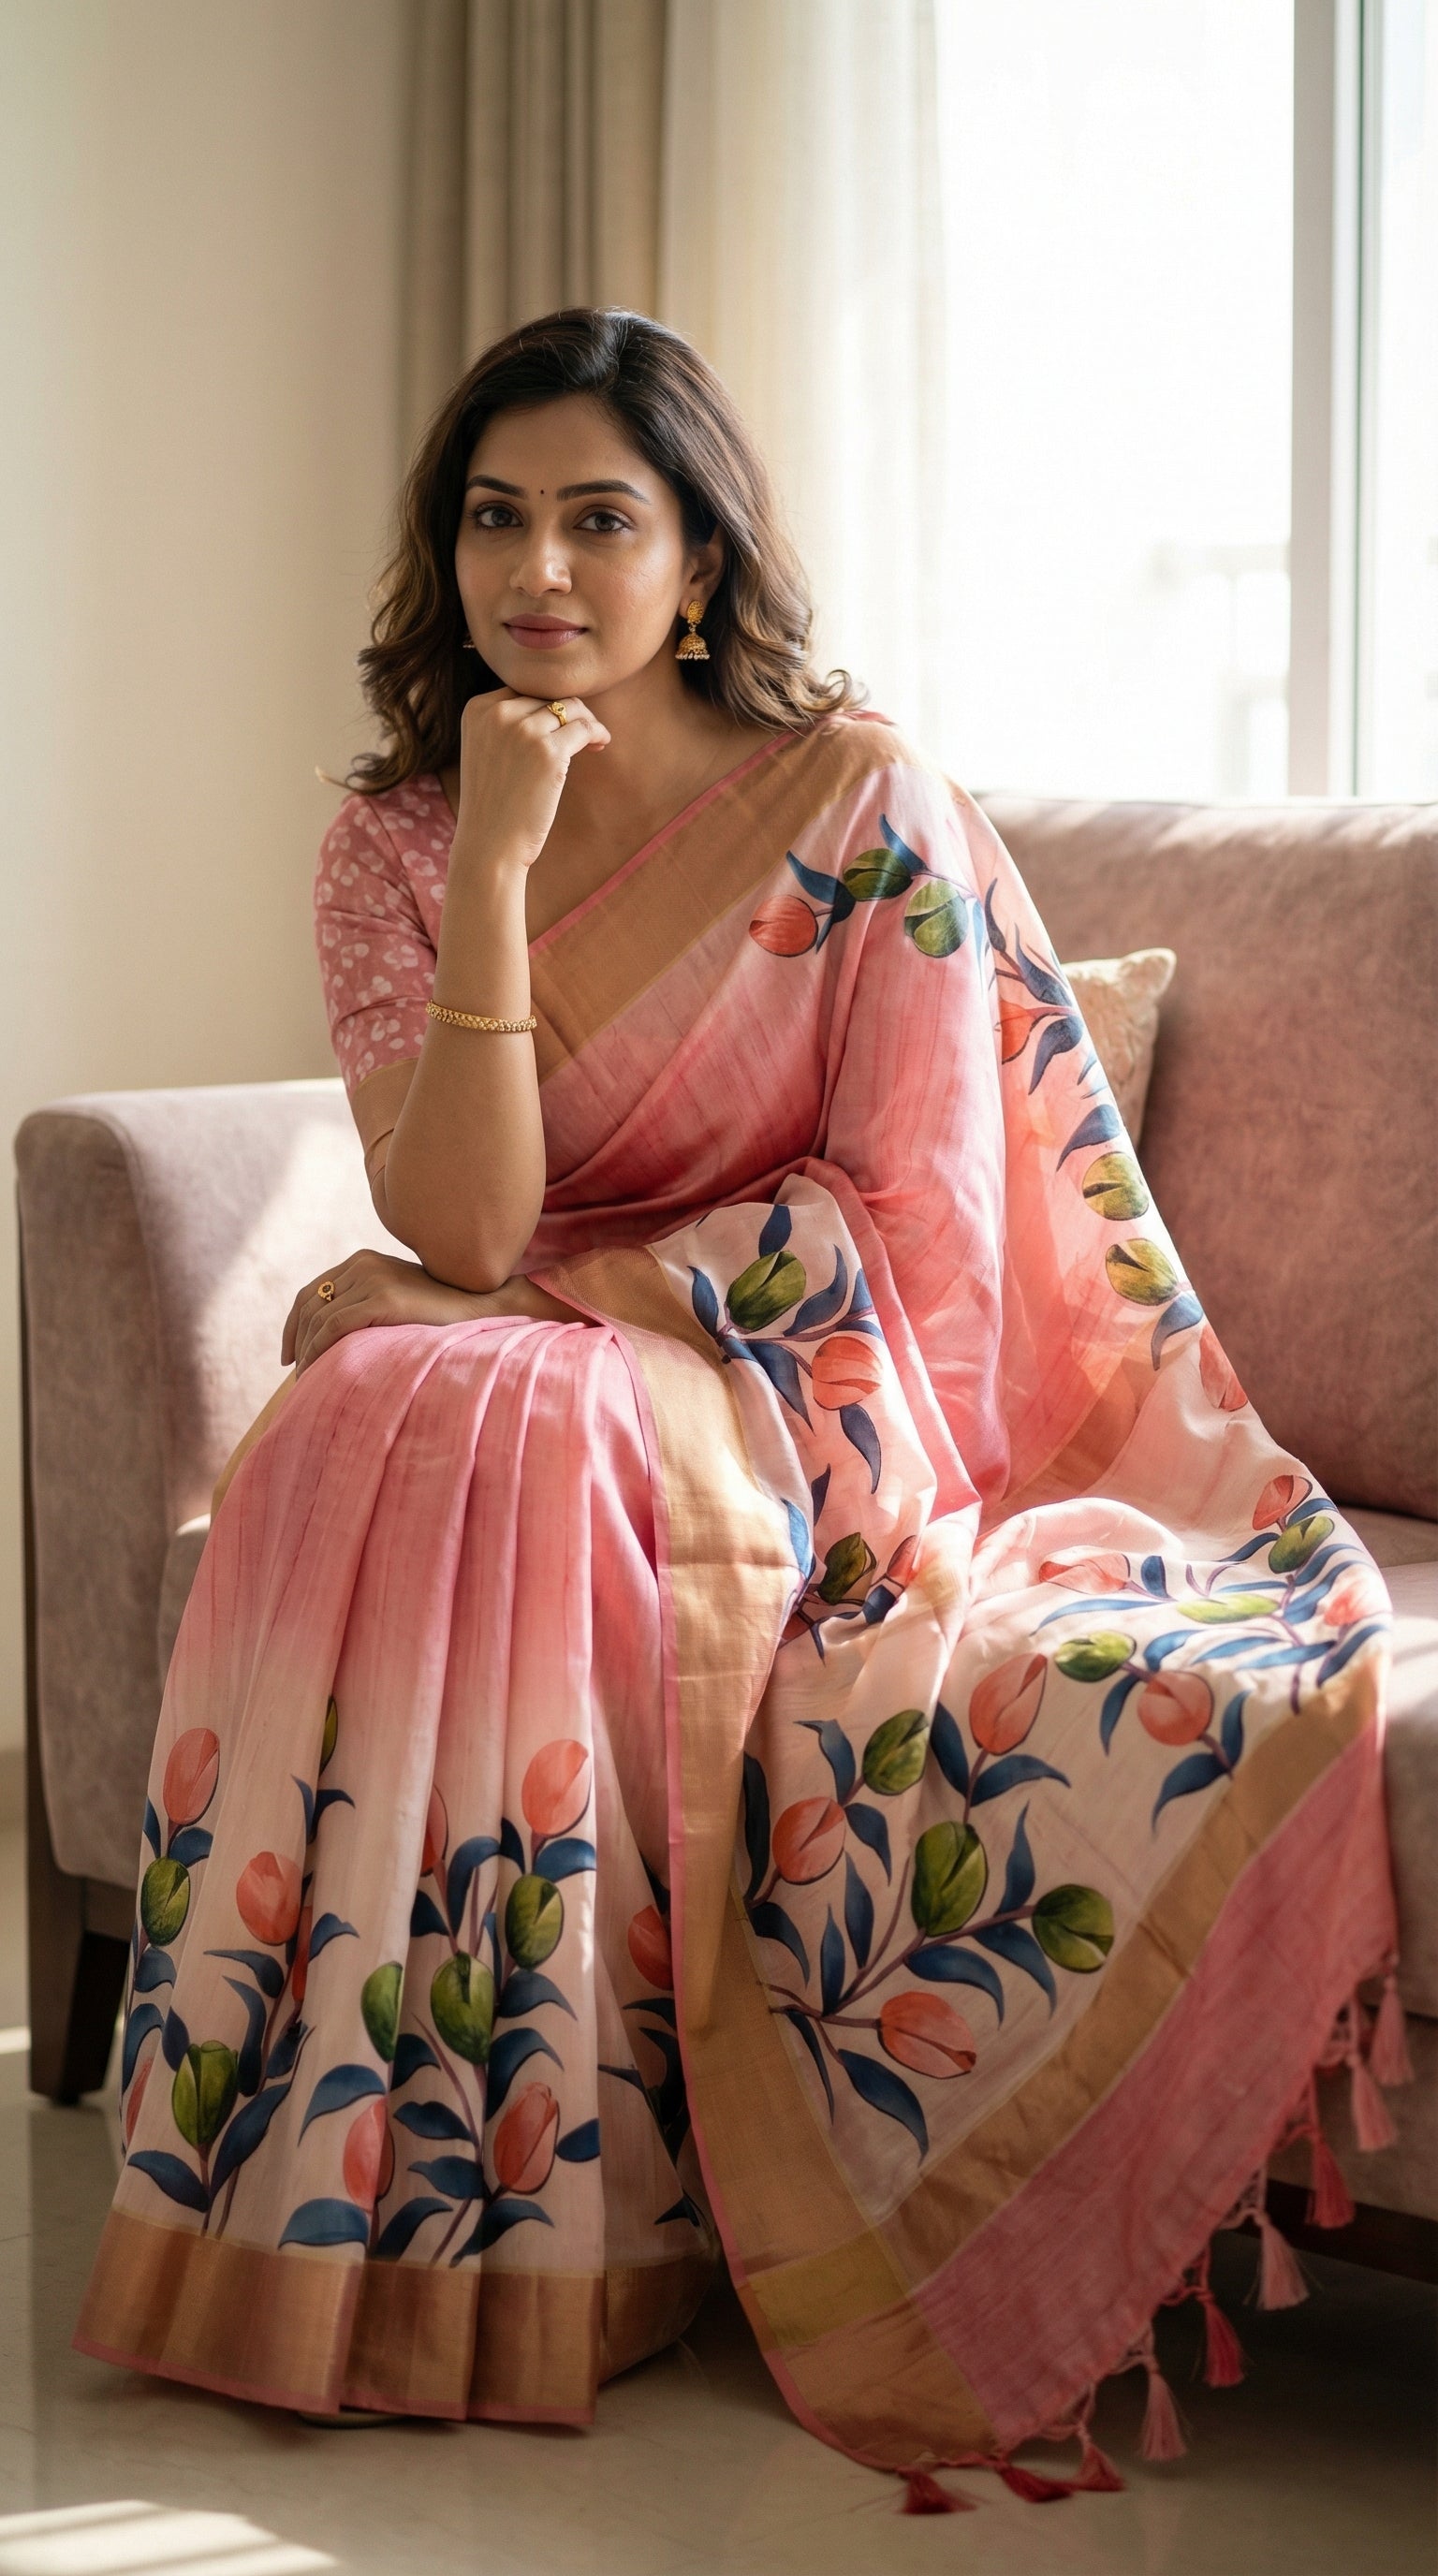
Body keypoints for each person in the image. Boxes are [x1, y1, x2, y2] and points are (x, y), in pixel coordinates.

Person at [74, 307, 1405, 2502]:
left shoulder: (858, 804)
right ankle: (333, 2221)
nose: (545, 569)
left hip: (822, 1382)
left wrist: (540, 1297)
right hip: (562, 1342)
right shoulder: (400, 841)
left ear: (702, 560)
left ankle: (572, 2219)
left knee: (489, 1396)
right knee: (359, 1411)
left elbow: (922, 1228)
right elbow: (475, 1219)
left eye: (606, 518)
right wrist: (499, 863)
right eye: (496, 517)